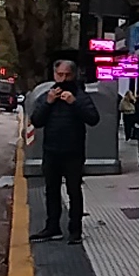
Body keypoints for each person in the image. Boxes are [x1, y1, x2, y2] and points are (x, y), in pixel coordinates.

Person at [29, 60, 100, 245]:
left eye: (67, 75)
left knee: (73, 191)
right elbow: (36, 120)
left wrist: (74, 103)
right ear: (54, 75)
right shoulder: (48, 95)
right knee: (51, 190)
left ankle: (75, 230)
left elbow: (93, 118)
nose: (63, 79)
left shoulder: (80, 96)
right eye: (60, 75)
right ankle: (52, 227)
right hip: (51, 151)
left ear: (74, 75)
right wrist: (48, 103)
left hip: (73, 153)